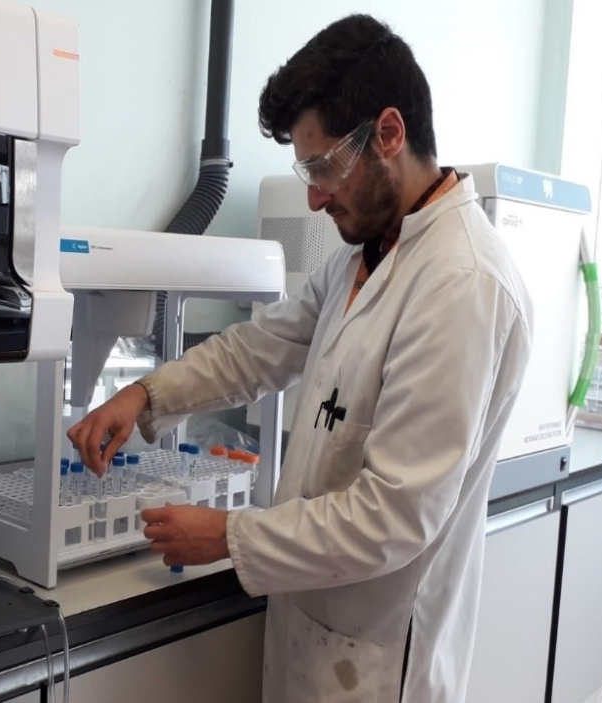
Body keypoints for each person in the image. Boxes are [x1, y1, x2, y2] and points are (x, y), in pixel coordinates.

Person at [67, 13, 533, 703]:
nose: (315, 196)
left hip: (379, 663)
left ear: (390, 133)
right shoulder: (368, 256)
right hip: (317, 632)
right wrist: (145, 394)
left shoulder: (461, 284)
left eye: (323, 166)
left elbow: (394, 516)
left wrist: (232, 534)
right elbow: (261, 347)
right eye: (305, 169)